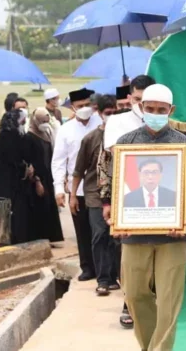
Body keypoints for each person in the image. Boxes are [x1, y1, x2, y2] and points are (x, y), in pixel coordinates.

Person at [103, 84, 186, 351]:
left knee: (169, 299)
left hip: (173, 235)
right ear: (140, 107)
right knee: (135, 295)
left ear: (171, 111)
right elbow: (118, 188)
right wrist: (115, 215)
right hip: (134, 234)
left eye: (162, 110)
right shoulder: (125, 143)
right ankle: (150, 346)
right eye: (150, 109)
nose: (155, 114)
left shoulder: (185, 143)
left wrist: (184, 216)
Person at [103, 76, 155, 328]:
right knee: (130, 252)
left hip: (161, 194)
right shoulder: (117, 121)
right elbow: (110, 160)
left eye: (147, 101)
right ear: (130, 97)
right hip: (128, 195)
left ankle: (153, 301)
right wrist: (107, 202)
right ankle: (130, 303)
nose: (142, 105)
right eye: (137, 100)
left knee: (158, 251)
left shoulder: (165, 119)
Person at [52, 88, 101, 281]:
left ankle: (104, 269)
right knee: (82, 231)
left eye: (88, 104)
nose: (85, 109)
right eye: (80, 106)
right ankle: (87, 267)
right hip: (77, 189)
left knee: (100, 231)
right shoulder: (66, 130)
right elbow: (58, 161)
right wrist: (58, 189)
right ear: (72, 107)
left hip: (100, 188)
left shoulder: (102, 124)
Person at [71, 95, 118, 297]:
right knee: (99, 235)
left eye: (115, 113)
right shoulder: (90, 139)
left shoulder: (123, 137)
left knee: (116, 238)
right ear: (100, 113)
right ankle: (103, 279)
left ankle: (116, 275)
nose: (112, 117)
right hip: (94, 195)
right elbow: (78, 171)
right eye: (108, 113)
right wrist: (73, 195)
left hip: (119, 195)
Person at [24, 108, 64, 244]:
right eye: (42, 121)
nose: (45, 124)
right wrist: (37, 181)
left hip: (48, 176)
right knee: (40, 207)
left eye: (47, 121)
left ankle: (50, 237)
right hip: (38, 179)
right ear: (35, 121)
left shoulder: (46, 133)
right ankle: (40, 239)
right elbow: (30, 161)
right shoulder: (29, 137)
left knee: (49, 207)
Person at [0, 105, 31, 244]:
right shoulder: (10, 135)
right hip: (9, 179)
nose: (23, 123)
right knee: (12, 209)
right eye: (22, 120)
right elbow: (13, 157)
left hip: (7, 177)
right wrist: (25, 167)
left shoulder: (7, 133)